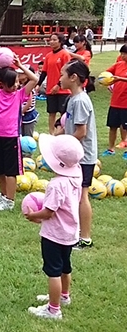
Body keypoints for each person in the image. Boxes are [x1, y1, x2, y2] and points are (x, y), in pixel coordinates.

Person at [24, 134, 83, 320]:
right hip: (70, 233)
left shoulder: (56, 185)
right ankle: (64, 296)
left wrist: (33, 216)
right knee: (66, 267)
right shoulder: (77, 176)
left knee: (53, 271)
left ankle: (53, 309)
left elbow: (48, 212)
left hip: (54, 235)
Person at [0, 51, 38, 211]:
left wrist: (20, 65)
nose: (17, 84)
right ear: (2, 83)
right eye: (14, 82)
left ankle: (10, 201)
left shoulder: (19, 94)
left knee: (11, 171)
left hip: (11, 137)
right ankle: (3, 197)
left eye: (18, 81)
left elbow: (35, 79)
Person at [56, 60, 97, 250]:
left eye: (63, 74)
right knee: (75, 195)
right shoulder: (74, 99)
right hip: (75, 156)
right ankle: (73, 233)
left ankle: (85, 238)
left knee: (82, 195)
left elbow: (81, 132)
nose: (60, 78)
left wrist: (63, 147)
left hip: (83, 157)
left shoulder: (80, 100)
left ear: (73, 78)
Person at [37, 34, 71, 134]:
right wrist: (38, 84)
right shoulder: (48, 56)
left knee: (63, 113)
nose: (51, 42)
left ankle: (62, 132)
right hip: (50, 89)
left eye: (54, 40)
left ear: (60, 41)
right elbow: (44, 72)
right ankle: (52, 133)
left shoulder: (65, 54)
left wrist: (58, 85)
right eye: (50, 40)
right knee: (51, 112)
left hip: (63, 90)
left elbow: (67, 72)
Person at [100, 44, 127, 157]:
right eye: (121, 53)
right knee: (112, 127)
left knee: (126, 127)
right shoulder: (119, 64)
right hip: (115, 102)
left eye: (125, 54)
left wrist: (120, 79)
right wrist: (107, 81)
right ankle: (110, 149)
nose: (122, 56)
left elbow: (119, 78)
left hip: (125, 103)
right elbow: (105, 74)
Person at [18, 67, 39, 137]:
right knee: (20, 135)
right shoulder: (21, 87)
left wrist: (21, 112)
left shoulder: (29, 88)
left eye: (20, 74)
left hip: (28, 115)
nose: (18, 75)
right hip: (22, 114)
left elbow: (29, 103)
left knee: (27, 135)